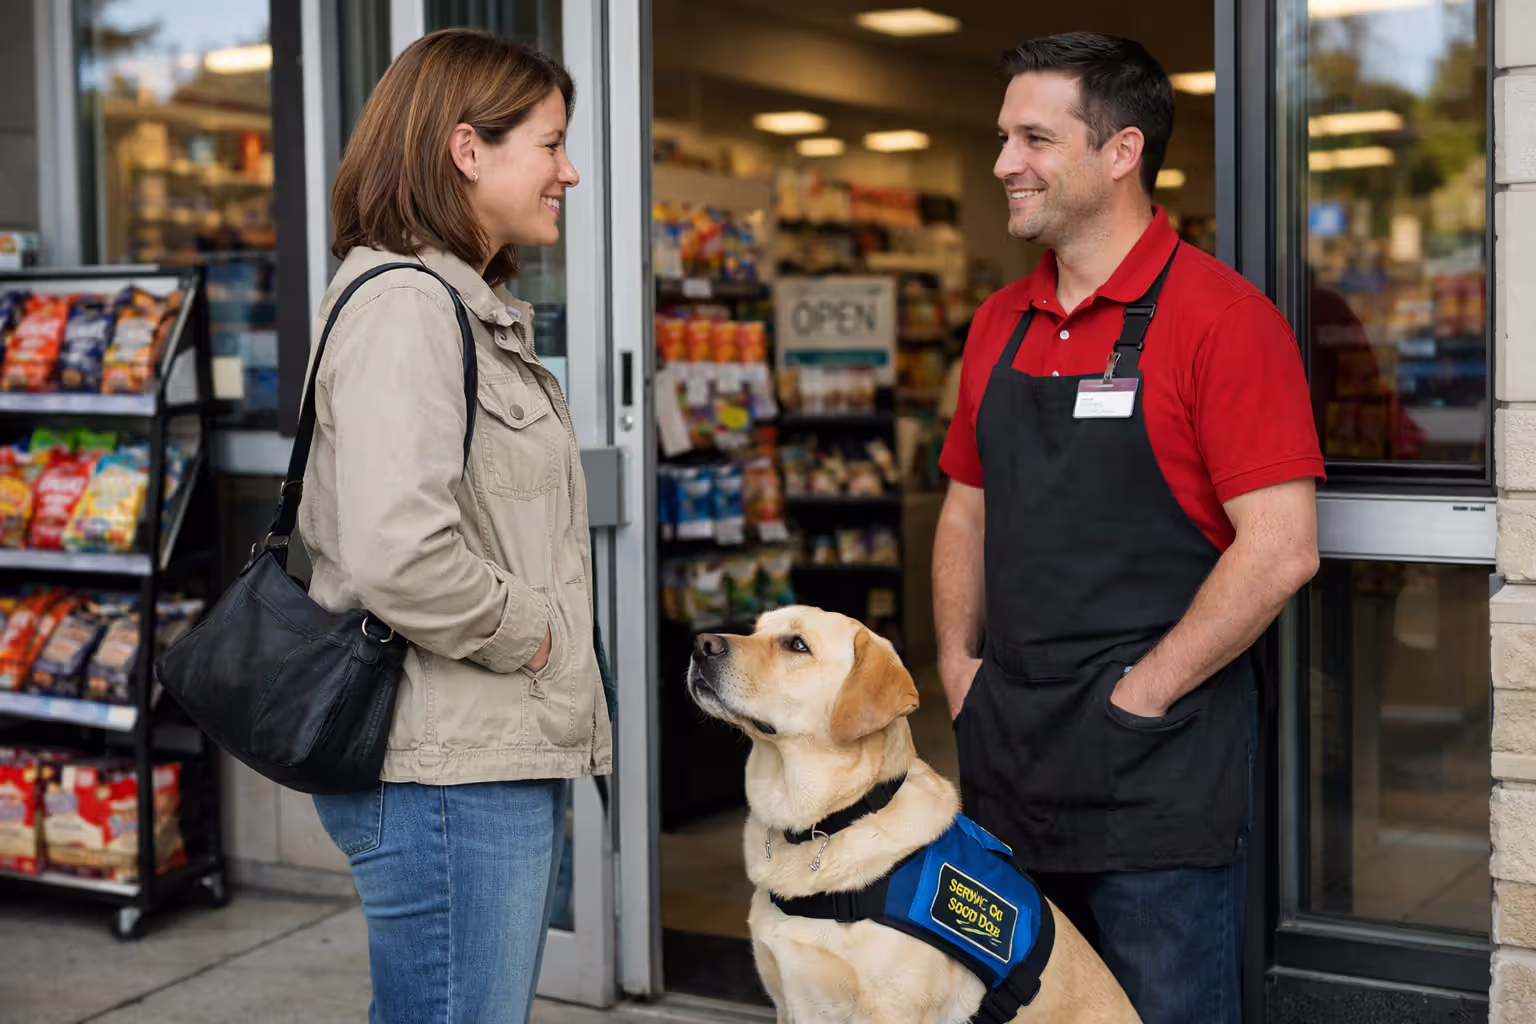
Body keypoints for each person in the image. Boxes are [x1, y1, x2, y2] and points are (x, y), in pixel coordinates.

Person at [933, 32, 1323, 1023]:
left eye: (1033, 137)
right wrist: (953, 664)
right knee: (1017, 1009)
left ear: (1121, 152)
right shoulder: (997, 324)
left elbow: (1281, 546)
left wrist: (1140, 696)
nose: (1003, 163)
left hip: (1156, 770)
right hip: (1010, 755)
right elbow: (966, 506)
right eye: (1002, 137)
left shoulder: (1224, 319)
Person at [301, 29, 609, 1024]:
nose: (568, 171)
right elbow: (401, 551)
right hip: (444, 769)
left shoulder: (460, 304)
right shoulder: (409, 308)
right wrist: (537, 633)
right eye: (550, 143)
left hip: (473, 755)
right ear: (467, 149)